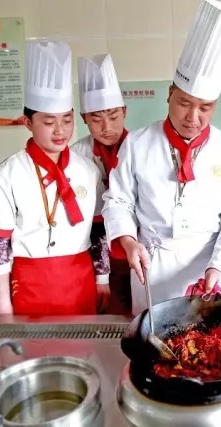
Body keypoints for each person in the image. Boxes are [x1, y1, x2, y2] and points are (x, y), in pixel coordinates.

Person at [102, 0, 221, 315]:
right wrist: (128, 241)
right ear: (170, 94)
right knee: (155, 337)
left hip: (209, 269)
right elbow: (118, 201)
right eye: (185, 103)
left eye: (205, 107)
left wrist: (219, 267)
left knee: (211, 339)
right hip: (152, 266)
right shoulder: (137, 144)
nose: (193, 118)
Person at [0, 41, 105, 315]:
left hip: (79, 279)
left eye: (67, 120)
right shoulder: (6, 174)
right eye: (48, 122)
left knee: (82, 341)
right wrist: (2, 303)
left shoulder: (88, 170)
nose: (60, 131)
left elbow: (98, 229)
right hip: (29, 281)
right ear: (27, 122)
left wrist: (102, 279)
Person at [72, 53, 130, 314]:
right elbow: (90, 223)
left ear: (124, 111)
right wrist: (101, 277)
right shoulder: (76, 156)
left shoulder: (141, 148)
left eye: (114, 117)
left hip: (137, 254)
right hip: (94, 261)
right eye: (96, 119)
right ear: (84, 117)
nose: (107, 127)